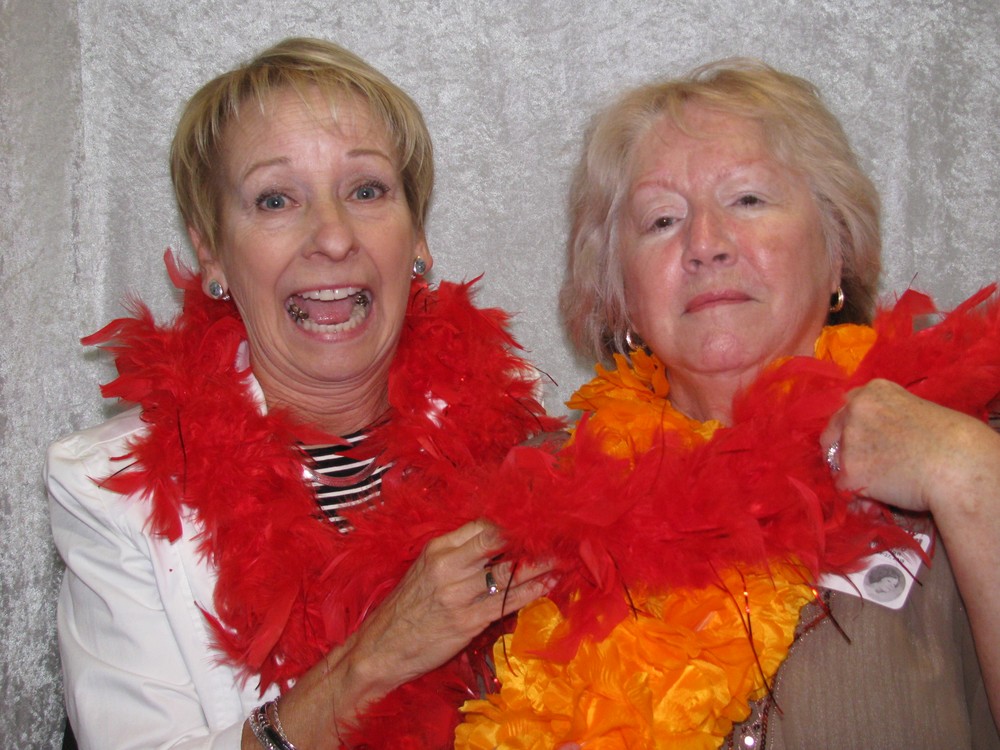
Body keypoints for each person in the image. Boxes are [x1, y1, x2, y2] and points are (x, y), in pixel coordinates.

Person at [456, 59, 1000, 748]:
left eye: (747, 199)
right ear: (618, 294)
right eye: (662, 220)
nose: (705, 245)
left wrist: (969, 472)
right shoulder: (532, 496)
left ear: (836, 252)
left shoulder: (963, 436)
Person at [46, 37, 561, 750]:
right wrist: (375, 661)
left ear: (417, 237)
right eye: (276, 199)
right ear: (212, 253)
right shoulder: (109, 495)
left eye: (366, 190)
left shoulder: (519, 430)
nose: (333, 237)